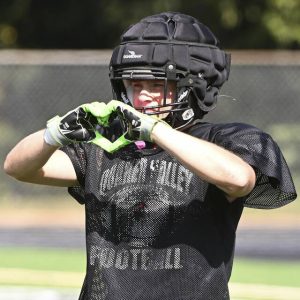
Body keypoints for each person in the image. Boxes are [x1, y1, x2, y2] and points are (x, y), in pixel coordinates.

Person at [3, 11, 297, 300]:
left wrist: (157, 131)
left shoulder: (220, 141)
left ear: (191, 88)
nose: (142, 97)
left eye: (157, 86)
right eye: (135, 85)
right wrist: (54, 134)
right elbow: (18, 167)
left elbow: (239, 179)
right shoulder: (109, 144)